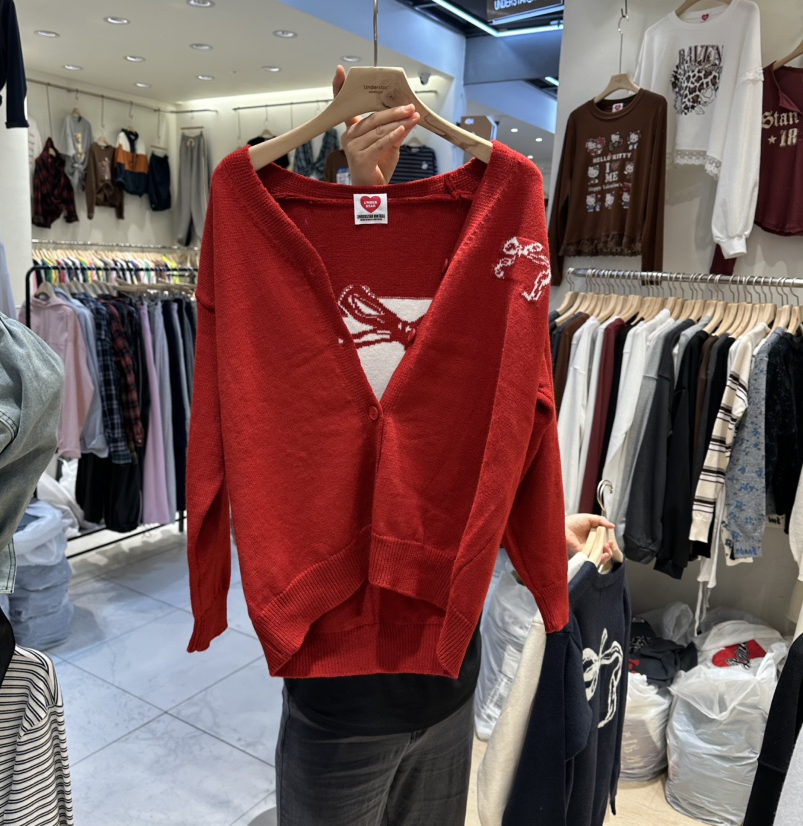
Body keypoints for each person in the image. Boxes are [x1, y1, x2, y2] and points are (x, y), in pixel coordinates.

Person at [267, 68, 619, 826]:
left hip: (449, 678)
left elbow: (518, 427)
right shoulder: (280, 260)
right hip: (337, 693)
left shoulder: (500, 251)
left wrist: (536, 543)